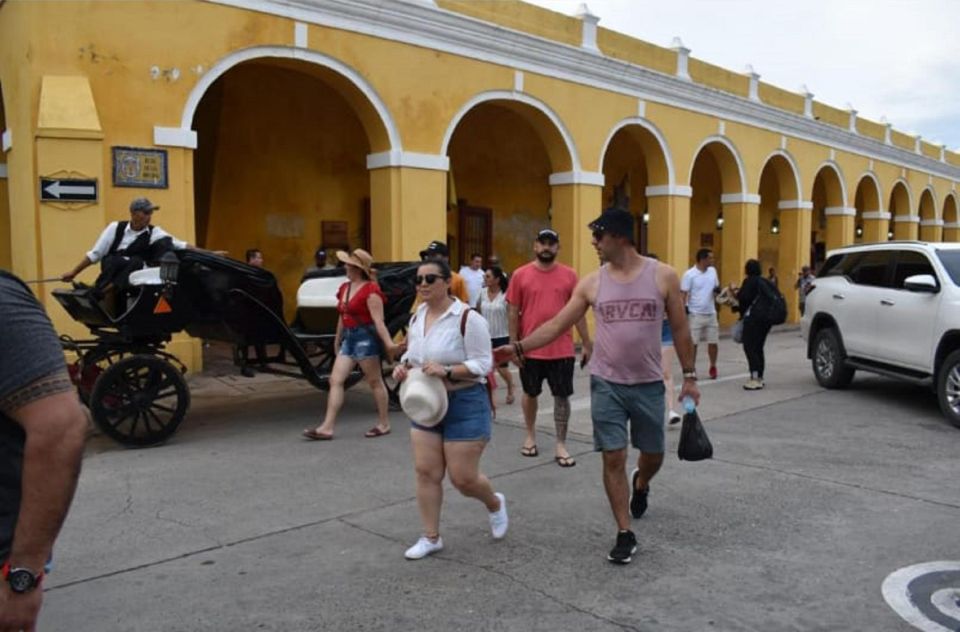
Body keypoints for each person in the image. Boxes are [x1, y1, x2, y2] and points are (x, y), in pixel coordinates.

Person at [495, 208, 700, 564]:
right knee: (613, 455)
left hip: (649, 383)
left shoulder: (663, 276)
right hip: (606, 383)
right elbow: (558, 323)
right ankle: (624, 531)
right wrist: (518, 347)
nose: (594, 243)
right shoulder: (592, 282)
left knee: (653, 455)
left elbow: (681, 329)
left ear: (620, 236)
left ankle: (642, 482)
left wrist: (690, 376)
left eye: (599, 236)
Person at [392, 259, 506, 560]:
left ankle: (494, 503)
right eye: (419, 280)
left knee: (463, 478)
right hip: (426, 402)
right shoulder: (417, 318)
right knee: (426, 472)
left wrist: (447, 370)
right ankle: (430, 537)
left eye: (431, 279)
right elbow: (414, 358)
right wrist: (403, 368)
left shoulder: (468, 319)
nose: (423, 285)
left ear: (447, 282)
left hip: (465, 401)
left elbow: (484, 364)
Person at [0, 271, 86, 630]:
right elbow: (96, 254)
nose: (141, 216)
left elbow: (60, 426)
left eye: (144, 212)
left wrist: (23, 576)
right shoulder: (116, 232)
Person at [506, 228, 592, 468]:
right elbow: (513, 311)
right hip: (530, 348)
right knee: (530, 393)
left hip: (562, 348)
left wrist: (586, 342)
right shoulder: (520, 275)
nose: (546, 247)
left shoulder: (569, 275)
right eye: (542, 243)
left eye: (551, 244)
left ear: (557, 248)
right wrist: (514, 345)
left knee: (562, 397)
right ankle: (530, 435)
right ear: (535, 246)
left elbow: (578, 313)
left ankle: (561, 443)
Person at [302, 249, 400, 440]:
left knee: (374, 382)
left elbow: (378, 321)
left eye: (348, 264)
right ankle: (327, 427)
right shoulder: (345, 288)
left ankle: (384, 423)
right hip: (349, 338)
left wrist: (389, 344)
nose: (345, 266)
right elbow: (342, 314)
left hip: (365, 339)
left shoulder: (371, 291)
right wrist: (338, 338)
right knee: (335, 381)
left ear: (357, 268)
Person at [61, 197, 193, 292]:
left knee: (136, 261)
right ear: (134, 213)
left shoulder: (154, 232)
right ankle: (99, 287)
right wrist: (74, 272)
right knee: (114, 261)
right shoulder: (115, 227)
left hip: (134, 272)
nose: (149, 217)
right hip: (113, 266)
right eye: (146, 213)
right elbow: (95, 254)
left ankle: (103, 291)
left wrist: (208, 253)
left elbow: (180, 244)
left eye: (150, 213)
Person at [648, 254, 681, 425]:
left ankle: (672, 410)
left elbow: (676, 310)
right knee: (648, 374)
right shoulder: (638, 286)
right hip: (646, 333)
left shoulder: (666, 284)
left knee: (665, 372)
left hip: (665, 332)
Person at [680, 248, 720, 379]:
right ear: (703, 259)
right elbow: (684, 293)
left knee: (713, 342)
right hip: (695, 313)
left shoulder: (713, 271)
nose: (713, 260)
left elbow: (715, 288)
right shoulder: (689, 274)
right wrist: (683, 309)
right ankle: (692, 368)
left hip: (711, 312)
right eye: (710, 258)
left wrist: (717, 293)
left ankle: (713, 366)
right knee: (693, 344)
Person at [478, 266, 515, 405]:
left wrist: (513, 337)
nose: (485, 279)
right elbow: (477, 311)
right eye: (484, 276)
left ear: (497, 279)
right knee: (487, 368)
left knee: (502, 367)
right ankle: (490, 396)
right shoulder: (482, 293)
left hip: (502, 335)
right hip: (485, 335)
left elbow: (513, 315)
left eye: (488, 276)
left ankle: (510, 386)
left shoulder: (506, 294)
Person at [735, 259, 773, 390]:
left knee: (750, 348)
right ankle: (760, 376)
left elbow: (743, 299)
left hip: (753, 320)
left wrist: (735, 295)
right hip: (765, 320)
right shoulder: (764, 282)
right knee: (759, 348)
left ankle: (754, 377)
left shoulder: (749, 282)